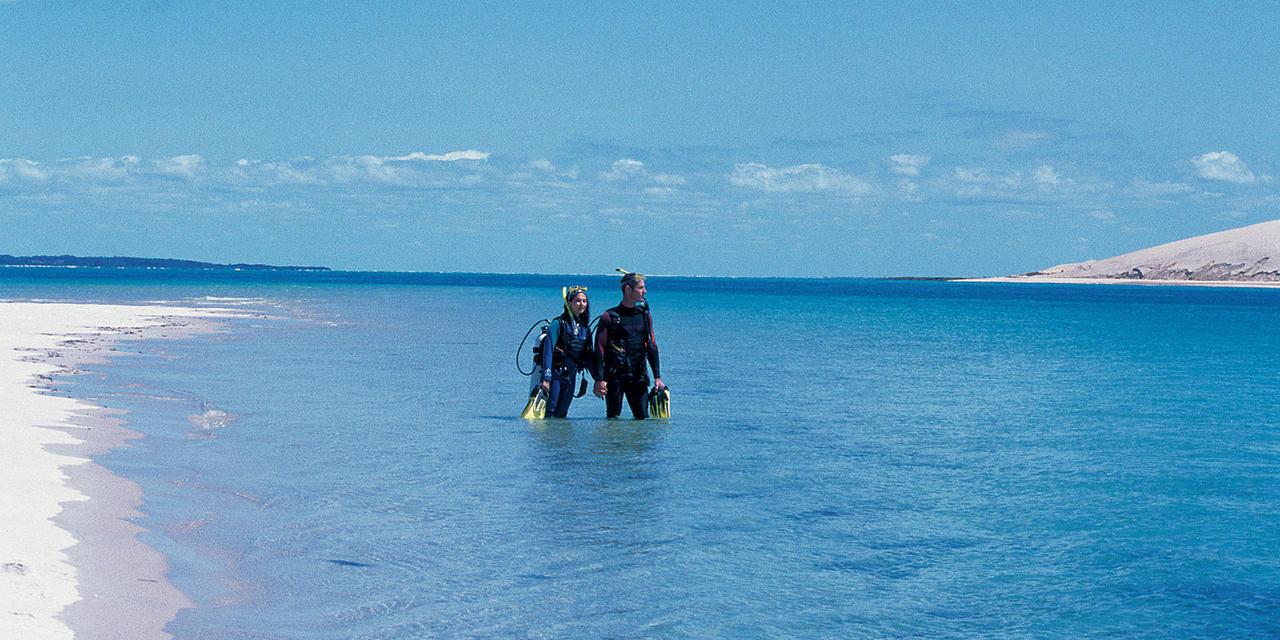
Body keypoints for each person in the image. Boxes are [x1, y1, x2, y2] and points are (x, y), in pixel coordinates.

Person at [593, 271, 665, 418]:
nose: (644, 291)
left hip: (638, 375)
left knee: (642, 418)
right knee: (613, 418)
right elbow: (599, 349)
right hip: (614, 376)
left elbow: (652, 346)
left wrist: (657, 377)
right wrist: (599, 379)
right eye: (640, 288)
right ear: (628, 289)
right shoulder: (609, 317)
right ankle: (612, 442)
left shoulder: (644, 315)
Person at [538, 286, 597, 418]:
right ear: (569, 303)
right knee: (550, 411)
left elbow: (588, 357)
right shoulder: (558, 324)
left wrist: (598, 380)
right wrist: (546, 379)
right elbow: (548, 350)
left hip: (571, 375)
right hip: (556, 374)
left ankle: (561, 438)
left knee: (562, 414)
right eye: (577, 301)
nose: (581, 304)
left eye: (584, 301)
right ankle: (547, 438)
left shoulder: (585, 328)